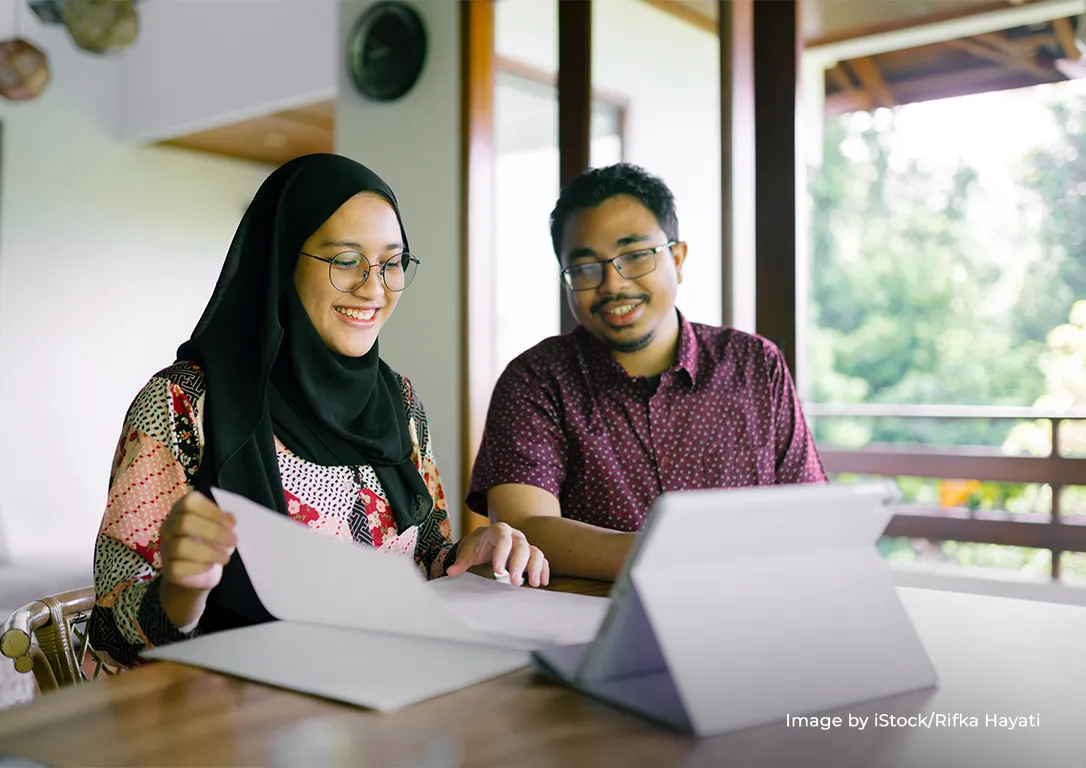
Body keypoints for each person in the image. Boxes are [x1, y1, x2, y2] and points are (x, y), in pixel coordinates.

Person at [89, 154, 549, 666]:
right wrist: (182, 594)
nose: (374, 289)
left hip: (379, 689)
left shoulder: (400, 402)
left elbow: (422, 559)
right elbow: (111, 626)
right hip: (230, 711)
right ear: (282, 260)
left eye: (391, 263)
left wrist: (471, 554)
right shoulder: (181, 405)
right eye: (345, 260)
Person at [466, 163, 826, 582]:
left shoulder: (755, 365)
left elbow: (810, 516)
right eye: (585, 268)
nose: (612, 285)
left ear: (677, 257)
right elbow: (525, 530)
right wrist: (681, 555)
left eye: (635, 257)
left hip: (751, 619)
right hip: (594, 628)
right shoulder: (536, 380)